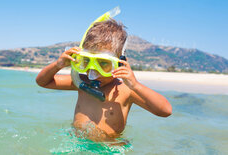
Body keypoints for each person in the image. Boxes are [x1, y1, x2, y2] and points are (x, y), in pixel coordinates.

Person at [36, 18, 172, 142]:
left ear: (120, 63)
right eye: (87, 61)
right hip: (77, 144)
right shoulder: (81, 82)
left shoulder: (125, 90)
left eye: (103, 63)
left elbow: (165, 110)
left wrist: (136, 85)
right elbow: (43, 82)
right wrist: (57, 65)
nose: (93, 71)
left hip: (108, 149)